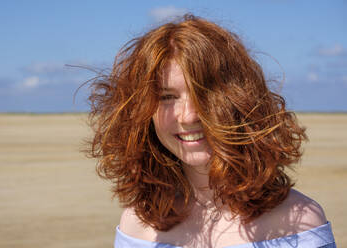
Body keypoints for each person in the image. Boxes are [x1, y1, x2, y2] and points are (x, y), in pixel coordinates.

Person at [87, 14, 336, 247]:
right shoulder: (137, 223)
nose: (188, 116)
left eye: (203, 95)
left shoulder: (298, 222)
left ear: (243, 102)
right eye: (167, 97)